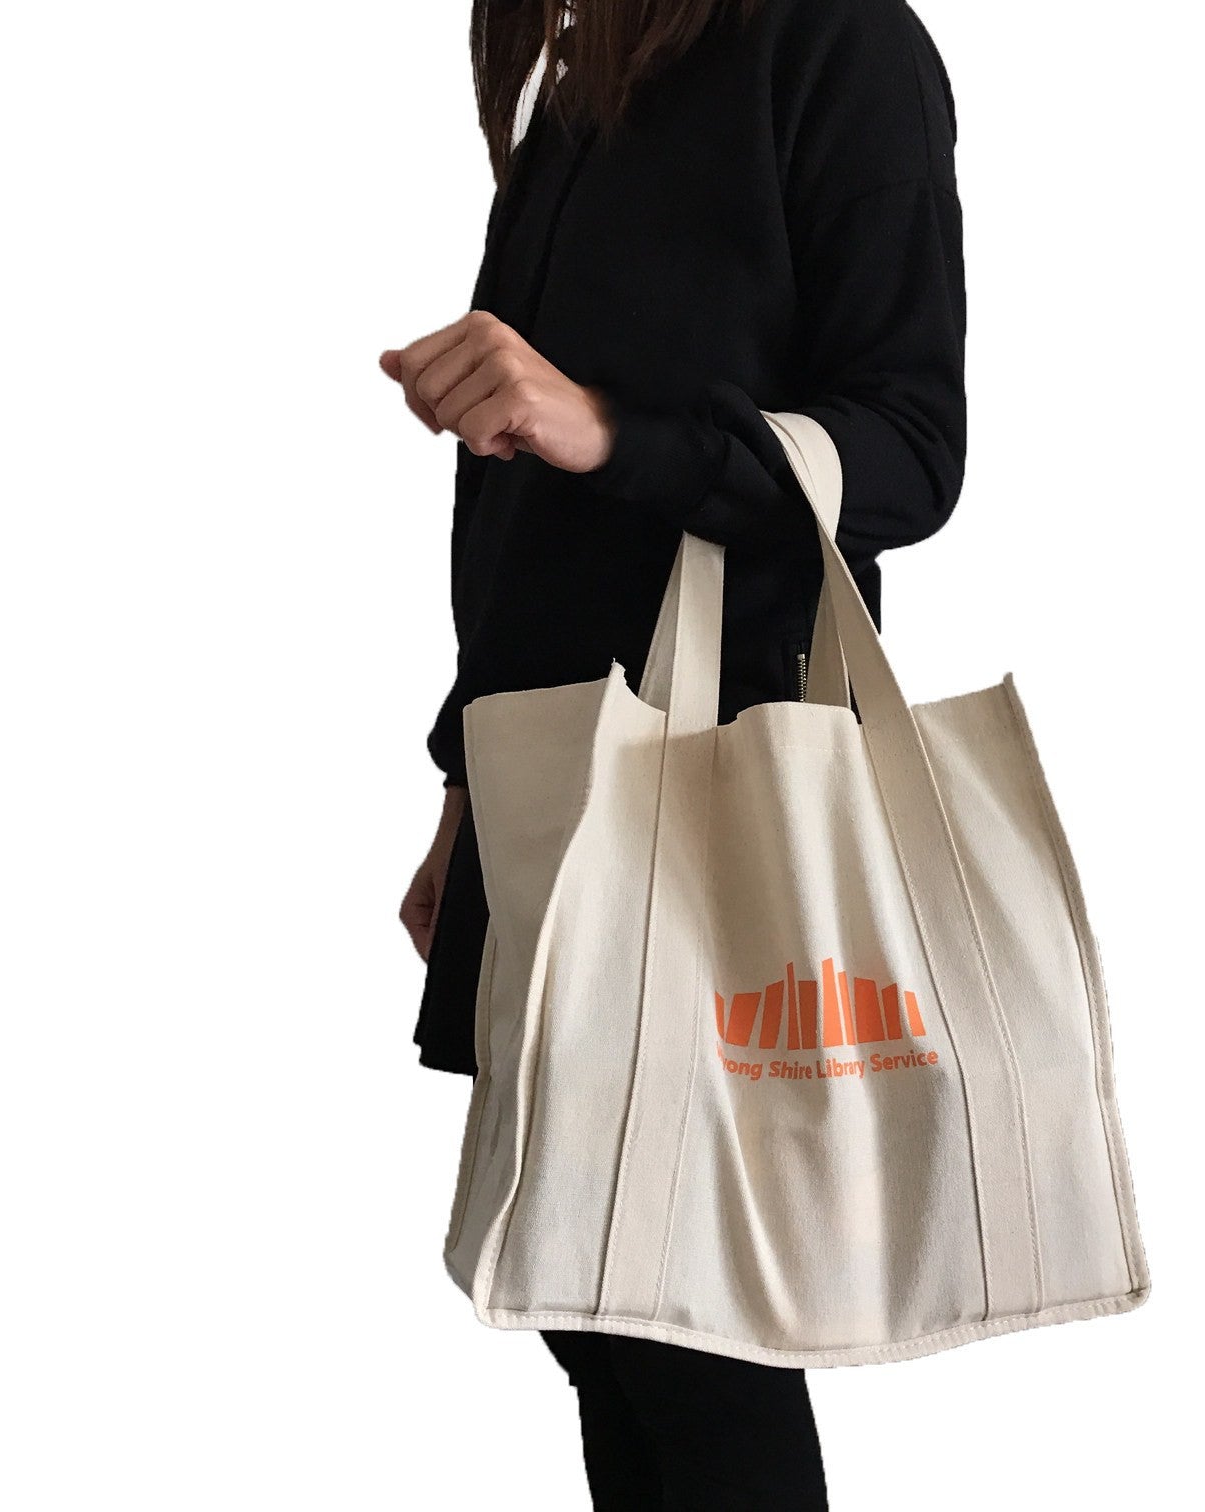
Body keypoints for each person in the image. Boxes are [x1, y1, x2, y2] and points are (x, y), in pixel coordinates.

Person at [379, 1, 965, 1505]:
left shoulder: (835, 42)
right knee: (595, 1307)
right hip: (547, 786)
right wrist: (461, 790)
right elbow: (512, 518)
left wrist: (612, 429)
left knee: (684, 1331)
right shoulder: (585, 88)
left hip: (721, 793)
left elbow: (910, 448)